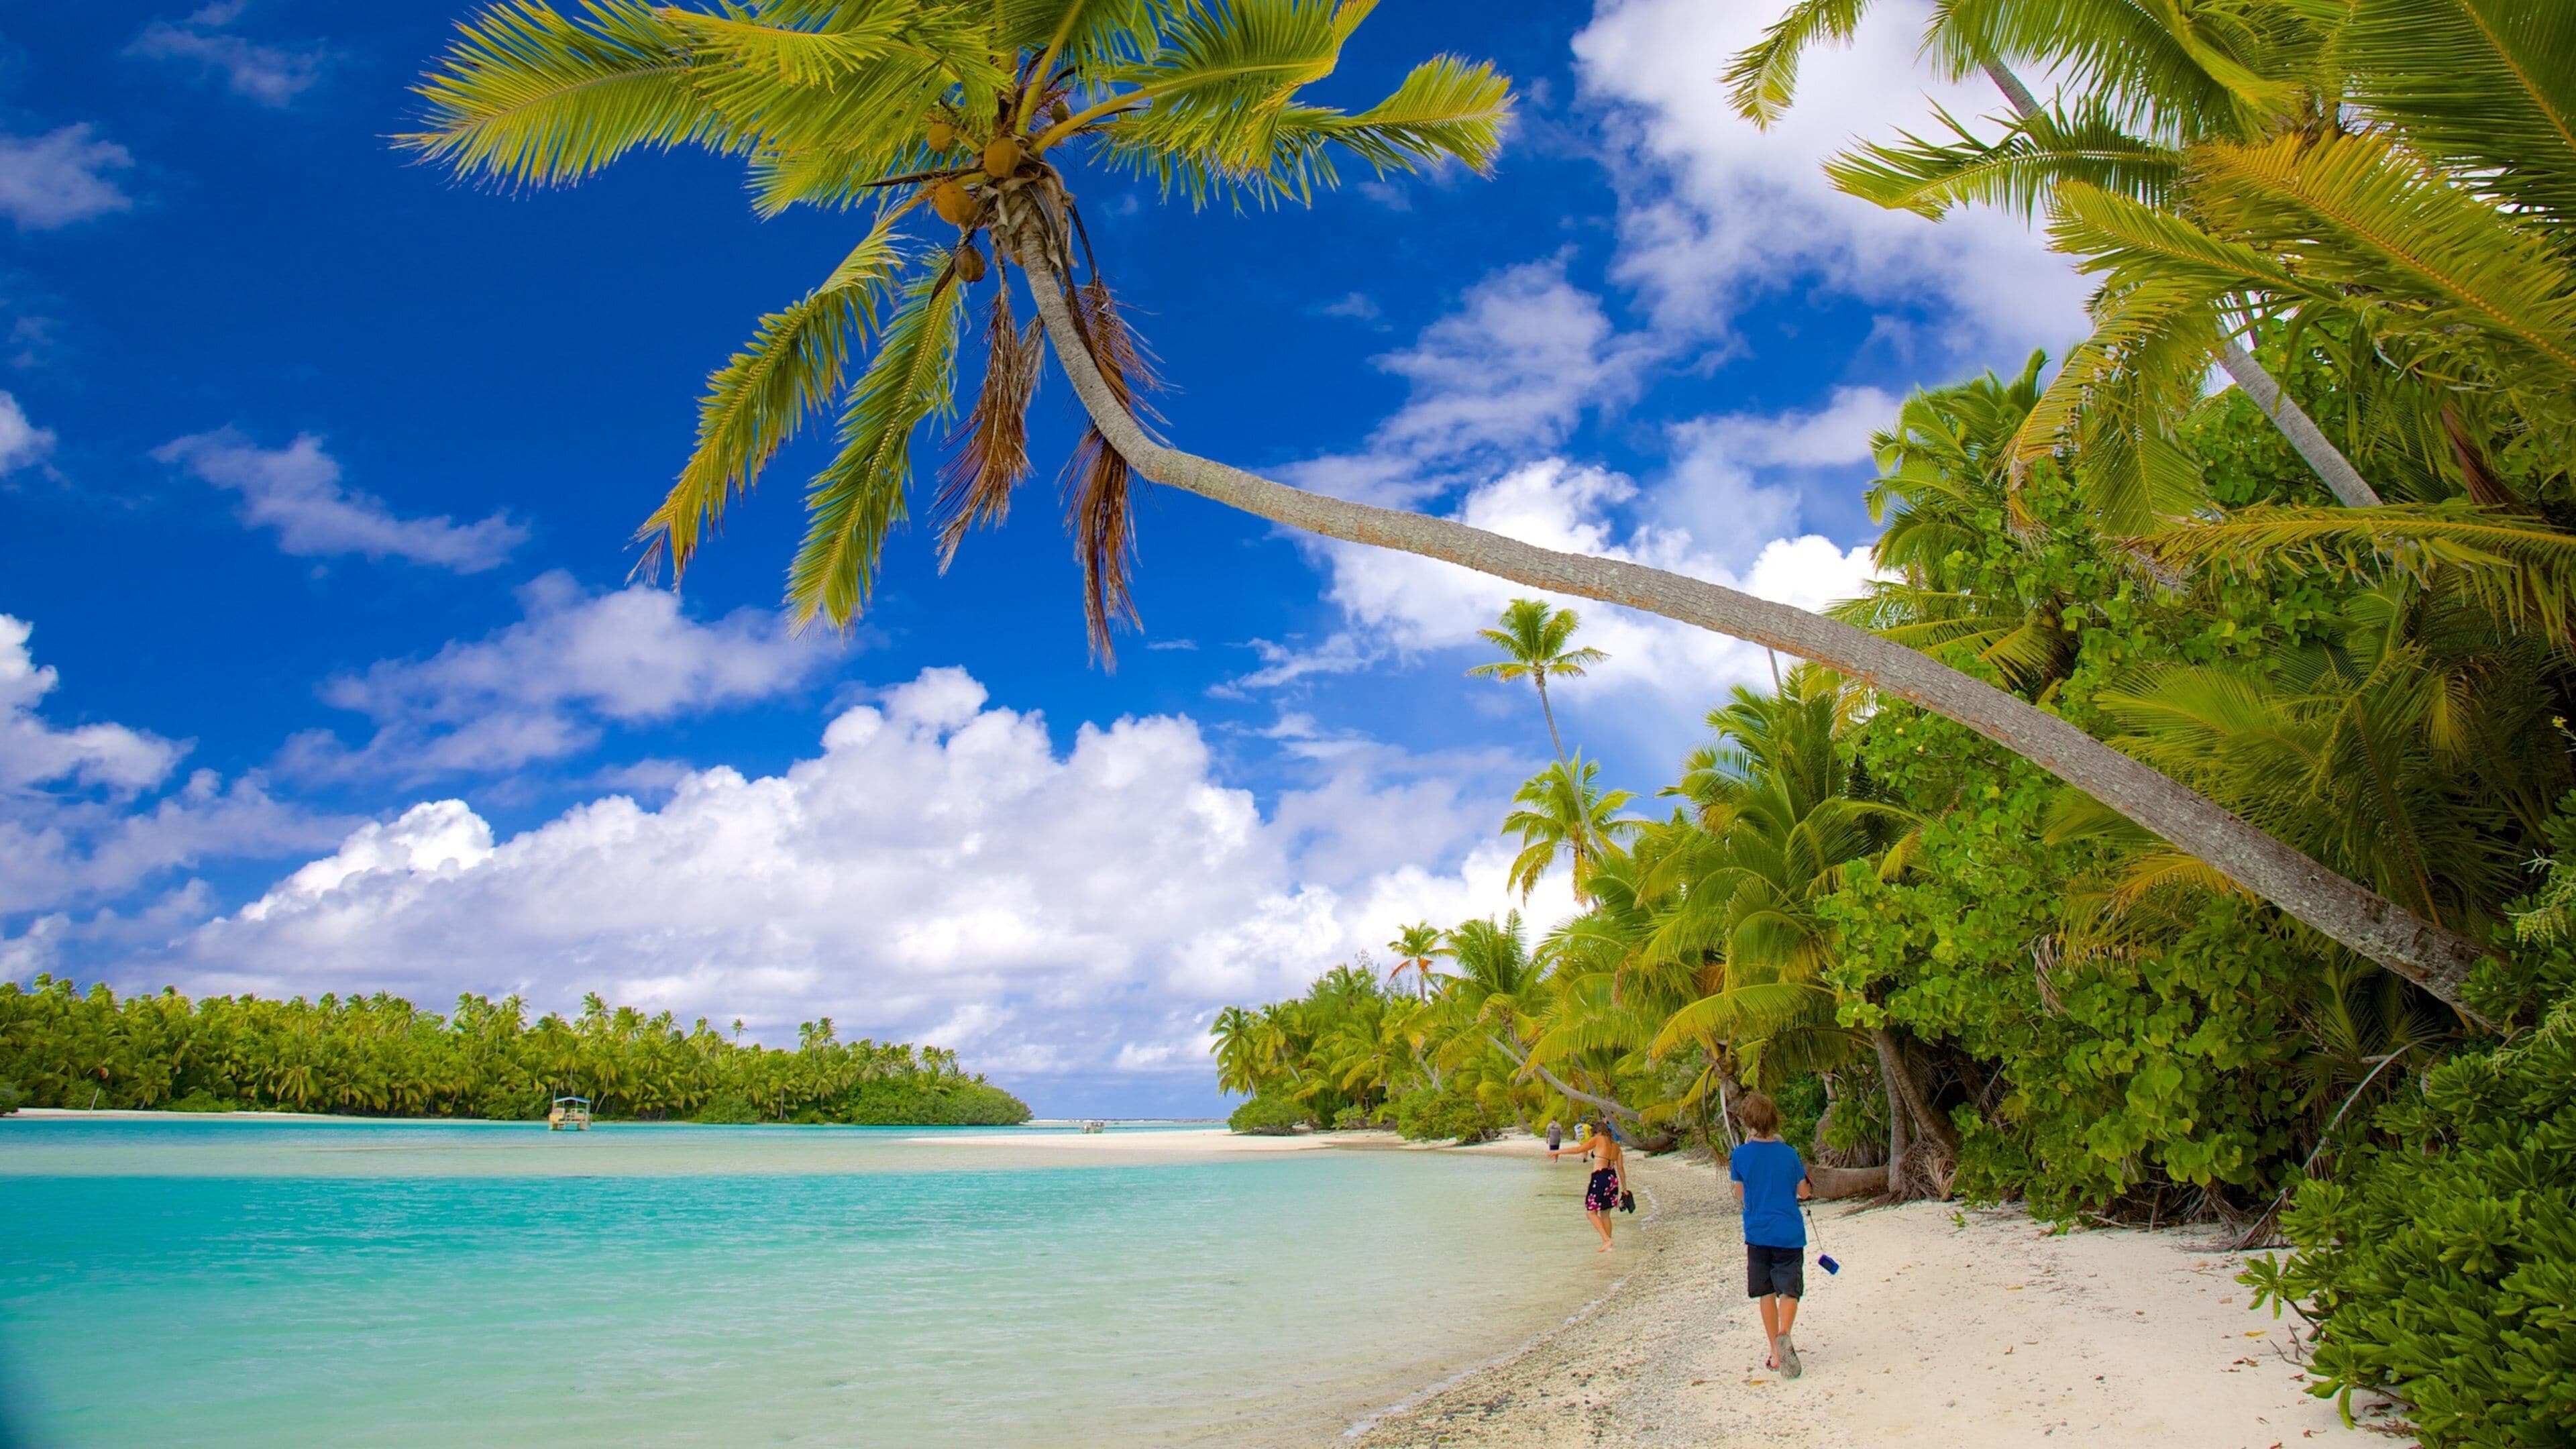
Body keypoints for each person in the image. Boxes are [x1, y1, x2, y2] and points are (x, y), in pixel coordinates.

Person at [1729, 1091, 1813, 1378]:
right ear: (1774, 1120)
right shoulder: (1789, 1153)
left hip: (1758, 1232)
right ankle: (1784, 1333)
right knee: (1789, 1289)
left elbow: (1742, 1196)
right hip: (1788, 1231)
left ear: (1748, 1122)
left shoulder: (1739, 1155)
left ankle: (1775, 1354)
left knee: (1765, 1291)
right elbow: (1804, 1191)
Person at [1579, 1117, 1625, 1251]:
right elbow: (1621, 1169)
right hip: (1612, 1178)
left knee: (1591, 1213)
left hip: (1600, 1177)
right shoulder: (1616, 1146)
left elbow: (1579, 1149)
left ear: (1598, 1132)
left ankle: (1607, 1240)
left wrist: (1557, 1152)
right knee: (1605, 1214)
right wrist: (1625, 1189)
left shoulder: (1599, 1139)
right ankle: (1608, 1244)